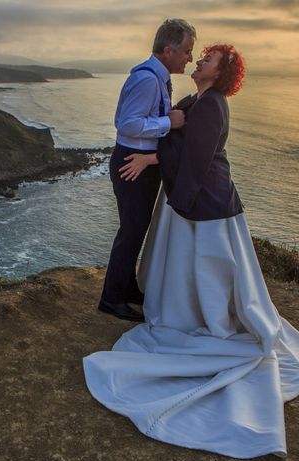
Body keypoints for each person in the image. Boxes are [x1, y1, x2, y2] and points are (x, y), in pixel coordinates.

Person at [83, 45, 299, 458]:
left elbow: (196, 154)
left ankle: (207, 318)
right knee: (195, 270)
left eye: (207, 59)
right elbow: (175, 135)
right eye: (199, 56)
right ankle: (190, 312)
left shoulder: (211, 105)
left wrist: (165, 176)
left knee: (211, 271)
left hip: (204, 201)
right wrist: (157, 152)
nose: (198, 62)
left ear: (221, 72)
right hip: (189, 198)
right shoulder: (194, 100)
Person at [98, 18, 196, 321]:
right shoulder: (147, 79)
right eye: (187, 51)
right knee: (131, 231)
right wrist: (170, 122)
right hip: (133, 162)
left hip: (141, 161)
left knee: (136, 228)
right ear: (168, 50)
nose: (190, 58)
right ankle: (111, 298)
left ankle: (126, 288)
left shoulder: (158, 77)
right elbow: (126, 123)